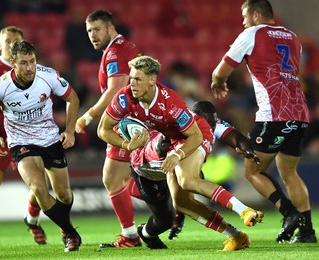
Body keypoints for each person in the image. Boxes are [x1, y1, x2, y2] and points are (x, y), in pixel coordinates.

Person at [97, 55, 264, 247]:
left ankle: (244, 210)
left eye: (137, 79)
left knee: (187, 180)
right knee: (182, 204)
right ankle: (237, 236)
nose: (132, 84)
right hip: (169, 141)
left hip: (193, 135)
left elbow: (195, 136)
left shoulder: (170, 102)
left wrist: (177, 155)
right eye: (131, 78)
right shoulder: (124, 97)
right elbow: (103, 129)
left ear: (152, 80)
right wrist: (127, 145)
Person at [211, 0, 317, 243]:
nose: (243, 21)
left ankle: (289, 213)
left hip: (274, 115)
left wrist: (218, 83)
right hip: (299, 113)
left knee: (253, 171)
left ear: (256, 15)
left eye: (245, 16)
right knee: (289, 172)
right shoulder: (292, 37)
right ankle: (307, 231)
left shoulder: (252, 33)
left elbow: (220, 71)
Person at [0, 40, 81, 252]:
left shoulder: (47, 76)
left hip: (50, 140)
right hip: (21, 143)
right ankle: (70, 232)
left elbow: (73, 98)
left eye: (32, 61)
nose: (29, 67)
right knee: (39, 189)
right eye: (24, 63)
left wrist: (70, 130)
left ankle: (63, 227)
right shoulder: (0, 85)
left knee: (65, 196)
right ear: (13, 63)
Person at [75, 10, 142, 248]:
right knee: (125, 180)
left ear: (110, 28)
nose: (92, 35)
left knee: (112, 179)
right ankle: (170, 201)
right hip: (132, 121)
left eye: (97, 29)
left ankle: (132, 236)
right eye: (89, 31)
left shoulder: (115, 52)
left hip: (127, 123)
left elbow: (115, 89)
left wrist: (88, 115)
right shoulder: (121, 48)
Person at [0, 26, 48, 244]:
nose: (10, 45)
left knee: (41, 184)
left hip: (25, 135)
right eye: (6, 41)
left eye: (14, 41)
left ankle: (32, 219)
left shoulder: (31, 69)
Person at [168, 104, 261, 240]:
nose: (210, 129)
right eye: (206, 124)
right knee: (174, 207)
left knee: (186, 188)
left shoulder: (214, 125)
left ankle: (239, 225)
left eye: (212, 124)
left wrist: (247, 148)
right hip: (155, 163)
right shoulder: (181, 120)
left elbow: (236, 137)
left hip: (176, 164)